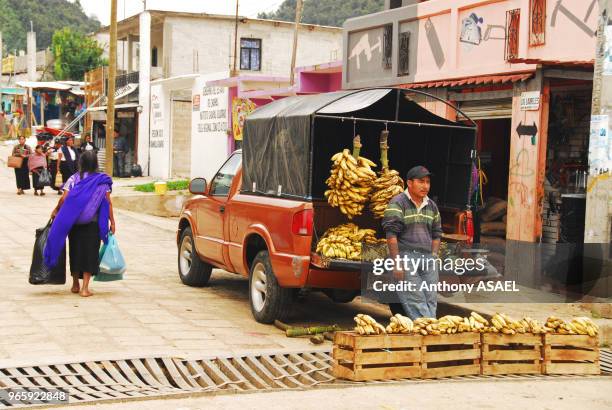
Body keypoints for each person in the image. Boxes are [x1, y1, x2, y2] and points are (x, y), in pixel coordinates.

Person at [44, 151, 116, 297]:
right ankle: (85, 288)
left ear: (81, 162)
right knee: (90, 253)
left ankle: (75, 284)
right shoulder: (102, 180)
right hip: (93, 223)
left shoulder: (74, 178)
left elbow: (64, 198)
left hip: (74, 222)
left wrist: (56, 210)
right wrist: (112, 222)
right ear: (96, 163)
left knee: (75, 251)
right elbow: (107, 203)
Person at [382, 166, 442, 320]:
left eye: (428, 182)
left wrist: (434, 256)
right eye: (421, 182)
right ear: (409, 183)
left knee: (430, 299)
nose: (425, 186)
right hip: (406, 257)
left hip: (428, 258)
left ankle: (428, 335)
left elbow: (437, 233)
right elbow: (391, 234)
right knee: (416, 300)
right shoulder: (398, 203)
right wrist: (397, 263)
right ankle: (428, 335)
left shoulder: (432, 206)